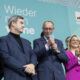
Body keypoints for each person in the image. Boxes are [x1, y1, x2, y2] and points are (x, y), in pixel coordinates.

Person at [0, 15, 37, 80]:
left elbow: (33, 55)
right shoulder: (3, 40)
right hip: (14, 76)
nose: (23, 25)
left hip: (29, 77)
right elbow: (6, 58)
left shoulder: (27, 42)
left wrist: (32, 64)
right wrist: (24, 68)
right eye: (21, 23)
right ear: (13, 23)